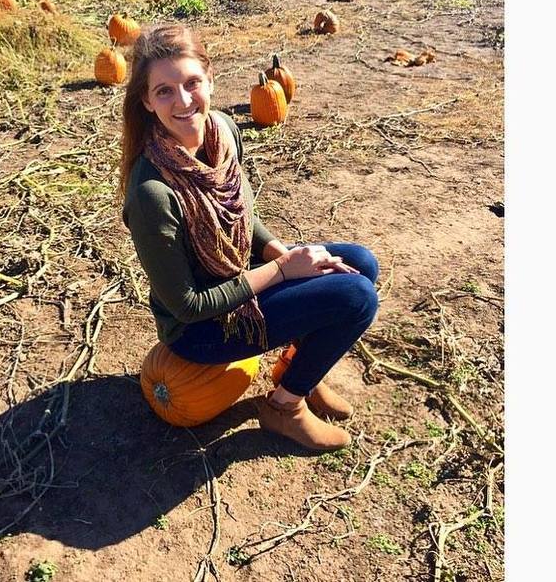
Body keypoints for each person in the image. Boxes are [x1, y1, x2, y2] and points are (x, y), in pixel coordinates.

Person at [120, 25, 380, 452]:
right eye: (164, 91)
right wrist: (281, 271)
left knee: (361, 263)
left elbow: (242, 215)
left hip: (238, 275)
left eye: (191, 83)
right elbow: (187, 307)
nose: (184, 101)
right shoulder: (152, 194)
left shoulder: (222, 131)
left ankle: (298, 372)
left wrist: (280, 251)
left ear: (210, 79)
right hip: (201, 330)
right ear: (147, 101)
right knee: (356, 297)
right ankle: (285, 408)